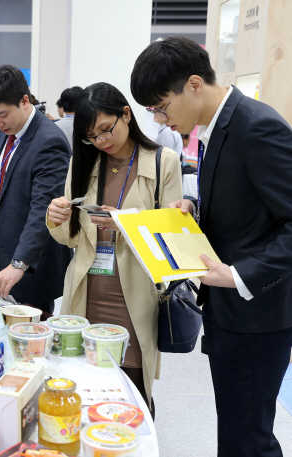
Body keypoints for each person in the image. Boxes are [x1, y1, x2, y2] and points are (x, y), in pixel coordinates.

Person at [131, 36, 292, 457]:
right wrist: (196, 207)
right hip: (229, 310)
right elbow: (252, 203)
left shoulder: (256, 125)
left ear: (194, 84)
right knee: (237, 432)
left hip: (259, 314)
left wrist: (239, 274)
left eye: (162, 107)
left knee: (249, 439)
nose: (162, 120)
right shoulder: (217, 125)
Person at [46, 82, 182, 414]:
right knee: (84, 385)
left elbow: (173, 241)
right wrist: (55, 218)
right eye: (92, 136)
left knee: (131, 391)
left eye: (107, 130)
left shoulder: (164, 161)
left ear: (126, 114)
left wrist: (126, 223)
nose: (102, 141)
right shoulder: (85, 162)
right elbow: (72, 238)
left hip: (134, 296)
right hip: (85, 291)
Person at [0, 65, 71, 315]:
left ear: (25, 101)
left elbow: (43, 209)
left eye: (2, 114)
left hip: (29, 262)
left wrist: (19, 262)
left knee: (29, 342)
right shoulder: (7, 132)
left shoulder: (49, 141)